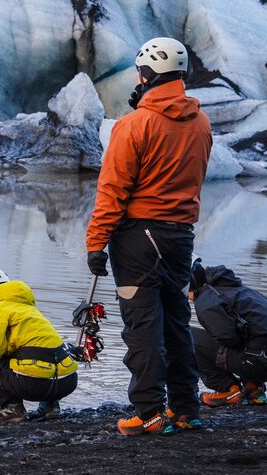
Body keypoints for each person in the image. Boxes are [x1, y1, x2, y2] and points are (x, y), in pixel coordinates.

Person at [85, 36, 212, 436]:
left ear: (148, 75)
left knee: (142, 328)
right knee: (175, 323)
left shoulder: (134, 125)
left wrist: (95, 243)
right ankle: (186, 408)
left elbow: (112, 190)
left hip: (139, 240)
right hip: (179, 238)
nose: (136, 79)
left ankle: (149, 411)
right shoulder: (201, 122)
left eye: (140, 73)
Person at [0, 268, 79, 422]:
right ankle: (50, 406)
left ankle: (11, 408)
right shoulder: (29, 308)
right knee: (35, 353)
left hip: (34, 385)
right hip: (67, 382)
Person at [189, 260, 267, 407]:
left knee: (187, 336)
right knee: (248, 335)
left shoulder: (206, 301)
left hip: (259, 364)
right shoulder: (238, 290)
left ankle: (228, 389)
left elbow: (230, 339)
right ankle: (254, 389)